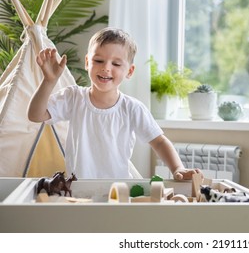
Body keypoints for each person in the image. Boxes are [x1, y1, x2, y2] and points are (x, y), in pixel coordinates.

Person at [28, 27, 201, 180]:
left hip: (118, 191)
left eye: (116, 63)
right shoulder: (73, 97)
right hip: (78, 190)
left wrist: (178, 168)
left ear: (129, 71)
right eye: (98, 61)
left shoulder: (132, 108)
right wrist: (49, 81)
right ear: (87, 62)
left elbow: (159, 142)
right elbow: (35, 115)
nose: (106, 68)